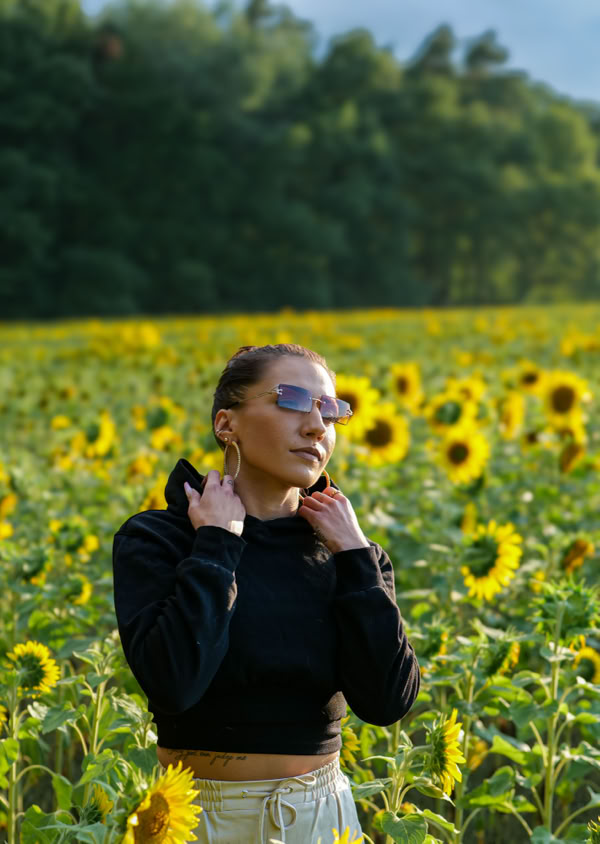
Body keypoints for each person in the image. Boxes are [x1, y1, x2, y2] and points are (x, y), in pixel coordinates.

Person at [112, 343, 421, 844]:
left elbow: (388, 702)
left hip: (320, 818)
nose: (317, 426)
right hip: (193, 820)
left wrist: (356, 559)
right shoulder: (161, 540)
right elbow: (174, 683)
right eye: (293, 400)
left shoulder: (347, 554)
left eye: (331, 411)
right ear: (226, 424)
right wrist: (215, 545)